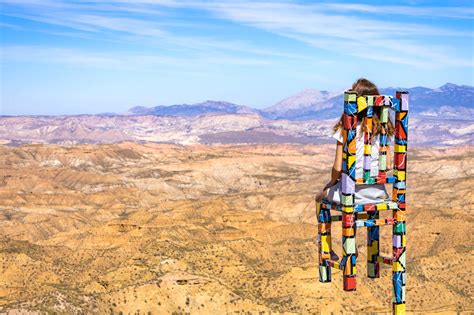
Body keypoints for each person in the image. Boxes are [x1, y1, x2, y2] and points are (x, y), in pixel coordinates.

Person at [315, 78, 393, 204]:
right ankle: (366, 222)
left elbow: (338, 167)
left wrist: (332, 182)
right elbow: (389, 165)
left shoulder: (346, 129)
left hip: (351, 194)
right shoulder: (382, 130)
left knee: (319, 197)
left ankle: (324, 223)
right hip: (378, 194)